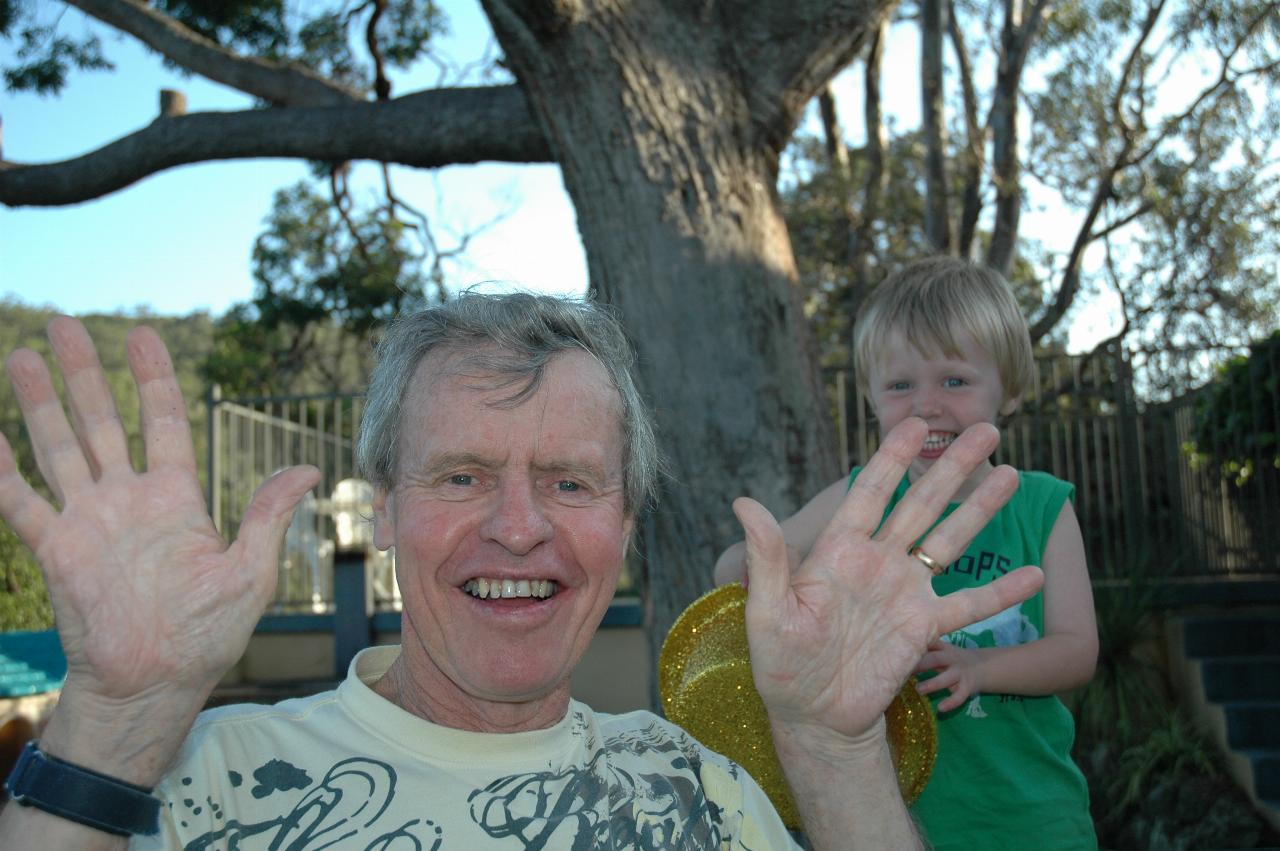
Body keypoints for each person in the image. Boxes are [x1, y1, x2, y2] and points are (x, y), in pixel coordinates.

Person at [0, 291, 1044, 849]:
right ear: (390, 502)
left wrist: (832, 750)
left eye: (569, 482)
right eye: (459, 474)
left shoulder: (701, 795)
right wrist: (117, 717)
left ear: (626, 522)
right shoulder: (199, 777)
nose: (515, 527)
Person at [716, 257, 1099, 849]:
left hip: (1032, 817)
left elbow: (1077, 652)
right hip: (889, 820)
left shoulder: (1042, 505)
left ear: (1011, 389)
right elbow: (758, 555)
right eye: (900, 385)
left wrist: (981, 669)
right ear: (871, 397)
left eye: (954, 380)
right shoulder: (858, 500)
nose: (926, 404)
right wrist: (762, 569)